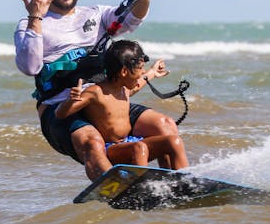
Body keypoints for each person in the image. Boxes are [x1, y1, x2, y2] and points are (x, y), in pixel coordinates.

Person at [14, 0, 180, 181]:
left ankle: (175, 185)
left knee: (165, 125)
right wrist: (36, 18)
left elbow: (132, 19)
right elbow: (29, 67)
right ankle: (118, 188)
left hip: (104, 102)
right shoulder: (31, 24)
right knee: (93, 142)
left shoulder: (97, 15)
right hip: (62, 110)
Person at [55, 40, 189, 170]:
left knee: (174, 141)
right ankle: (141, 187)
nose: (142, 72)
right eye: (140, 68)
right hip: (111, 149)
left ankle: (183, 182)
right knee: (139, 148)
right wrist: (71, 101)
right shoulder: (96, 92)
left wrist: (153, 72)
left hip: (130, 141)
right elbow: (60, 114)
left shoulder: (124, 88)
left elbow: (140, 83)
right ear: (124, 71)